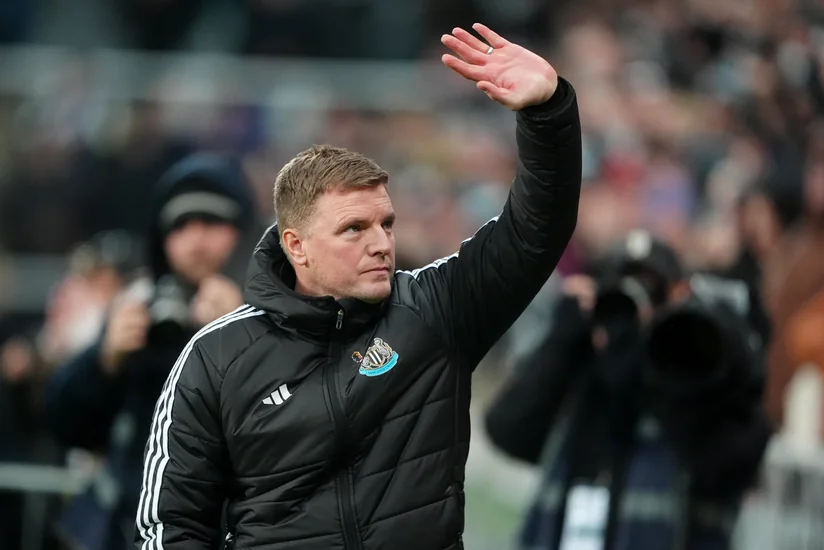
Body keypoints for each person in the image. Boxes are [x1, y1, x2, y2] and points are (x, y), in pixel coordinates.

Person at [134, 23, 582, 550]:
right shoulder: (216, 356)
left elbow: (534, 232)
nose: (381, 244)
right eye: (353, 229)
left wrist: (547, 113)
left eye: (386, 224)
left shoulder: (434, 310)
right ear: (296, 245)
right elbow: (170, 524)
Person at [485, 230, 772, 550]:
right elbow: (506, 430)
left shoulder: (693, 388)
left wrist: (679, 356)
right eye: (622, 292)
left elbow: (735, 457)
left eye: (653, 291)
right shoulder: (585, 376)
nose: (638, 309)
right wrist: (563, 341)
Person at [45, 153, 256, 550]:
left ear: (243, 233)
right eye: (180, 225)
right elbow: (66, 424)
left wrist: (241, 337)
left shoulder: (273, 312)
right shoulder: (139, 307)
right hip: (136, 527)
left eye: (212, 222)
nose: (196, 240)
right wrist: (105, 359)